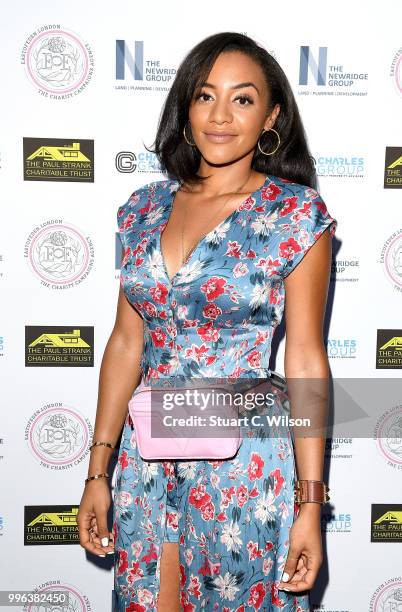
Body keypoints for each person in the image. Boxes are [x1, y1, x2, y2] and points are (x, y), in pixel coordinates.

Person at [77, 32, 337, 611]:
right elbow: (125, 343)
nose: (220, 115)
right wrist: (97, 471)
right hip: (145, 459)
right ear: (185, 107)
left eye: (242, 99)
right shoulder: (142, 208)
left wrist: (310, 504)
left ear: (271, 115)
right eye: (204, 95)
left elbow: (304, 359)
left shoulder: (294, 214)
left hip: (244, 464)